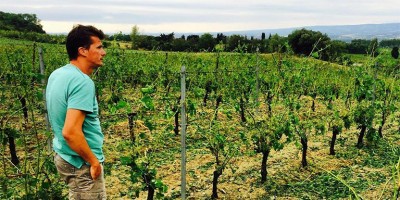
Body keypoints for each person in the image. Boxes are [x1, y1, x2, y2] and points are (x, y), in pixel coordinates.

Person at [46, 24, 107, 199]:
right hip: (81, 162)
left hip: (64, 155)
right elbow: (70, 132)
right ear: (83, 51)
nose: (104, 53)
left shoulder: (58, 74)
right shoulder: (82, 82)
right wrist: (94, 162)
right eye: (99, 47)